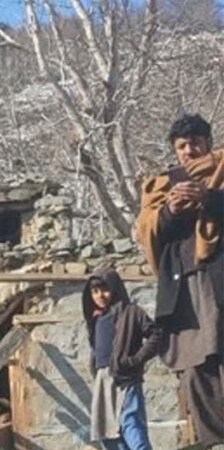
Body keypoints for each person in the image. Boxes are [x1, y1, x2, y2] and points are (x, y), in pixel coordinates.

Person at [136, 113, 224, 446]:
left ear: (208, 143)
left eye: (195, 142)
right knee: (196, 366)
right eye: (182, 146)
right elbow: (152, 233)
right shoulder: (162, 185)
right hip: (184, 287)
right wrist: (171, 210)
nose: (189, 150)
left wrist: (208, 198)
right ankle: (213, 440)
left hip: (220, 280)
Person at [83, 269, 159, 450]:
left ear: (115, 288)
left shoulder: (132, 312)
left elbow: (156, 336)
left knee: (131, 423)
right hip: (103, 379)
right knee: (107, 431)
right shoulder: (97, 319)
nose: (100, 295)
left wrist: (135, 360)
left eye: (104, 289)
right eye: (95, 291)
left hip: (125, 379)